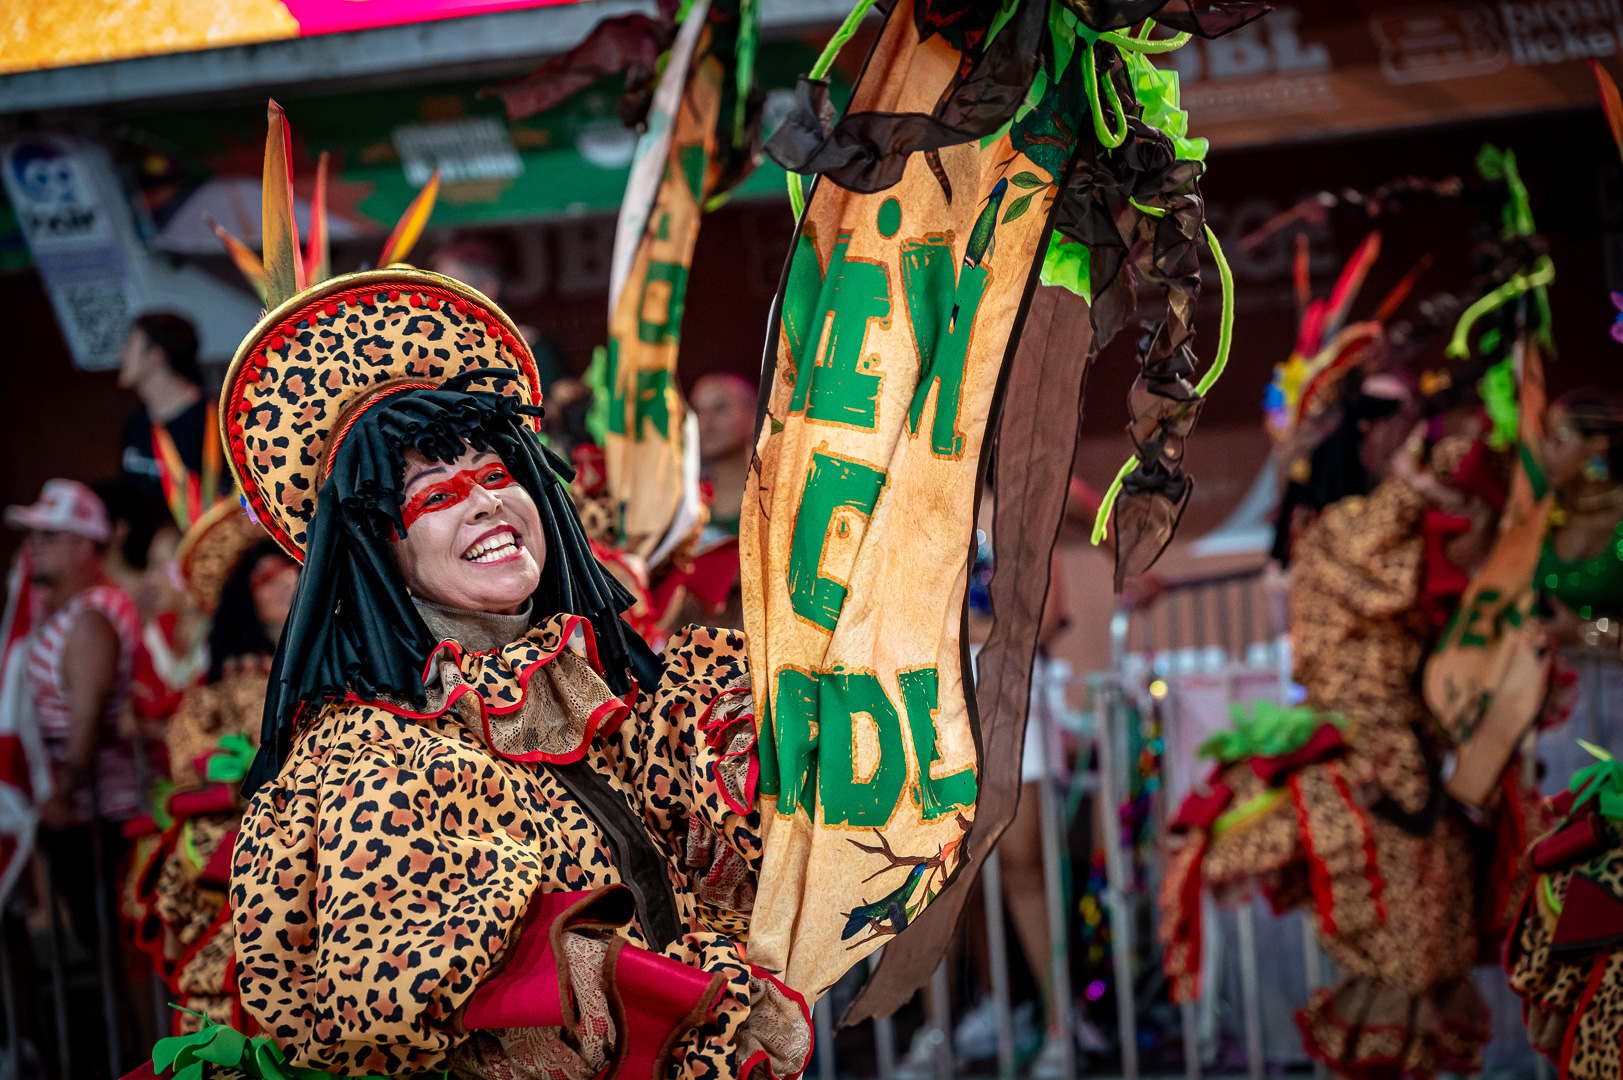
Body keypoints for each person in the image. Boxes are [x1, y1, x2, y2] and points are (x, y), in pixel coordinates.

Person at [1160, 376, 1502, 1078]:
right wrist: (1433, 465)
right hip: (1371, 757)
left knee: (1428, 945)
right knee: (1403, 948)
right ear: (1368, 432)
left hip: (1402, 752)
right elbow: (1415, 527)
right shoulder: (1344, 529)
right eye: (1403, 423)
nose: (1414, 440)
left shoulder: (1358, 525)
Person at [125, 501, 296, 1033]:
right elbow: (190, 756)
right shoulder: (222, 690)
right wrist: (240, 763)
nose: (288, 581)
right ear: (245, 601)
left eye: (292, 566)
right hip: (255, 832)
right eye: (267, 576)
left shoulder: (348, 659)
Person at [117, 312, 223, 530]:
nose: (122, 353)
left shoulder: (214, 421)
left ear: (156, 356)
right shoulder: (135, 424)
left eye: (130, 345)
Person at [691, 372, 756, 539]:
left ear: (754, 415)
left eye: (720, 409)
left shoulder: (778, 499)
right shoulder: (684, 502)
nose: (705, 424)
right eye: (698, 411)